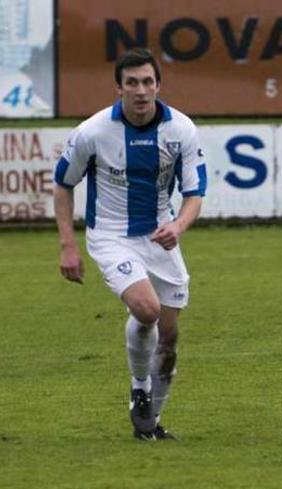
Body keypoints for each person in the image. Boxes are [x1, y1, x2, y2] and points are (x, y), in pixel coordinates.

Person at [53, 48, 207, 440]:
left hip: (160, 237)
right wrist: (67, 246)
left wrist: (179, 226)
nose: (141, 90)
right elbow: (63, 184)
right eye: (132, 83)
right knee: (147, 309)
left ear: (159, 84)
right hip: (111, 236)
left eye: (148, 82)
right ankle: (140, 386)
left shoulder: (182, 129)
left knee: (169, 342)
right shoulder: (93, 131)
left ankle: (150, 423)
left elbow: (195, 193)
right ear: (118, 88)